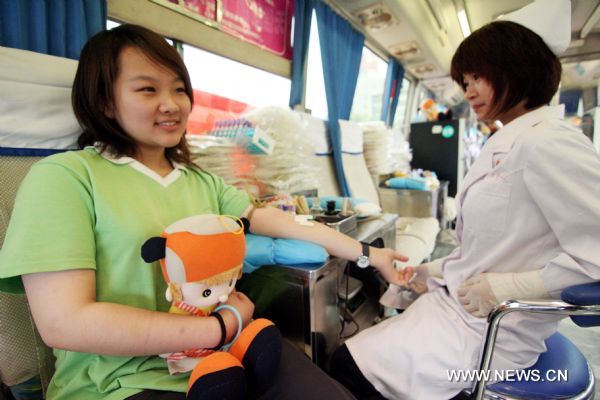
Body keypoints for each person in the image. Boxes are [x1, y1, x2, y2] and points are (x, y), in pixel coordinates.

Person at [0, 24, 408, 400]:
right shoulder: (65, 179)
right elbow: (64, 322)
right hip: (118, 383)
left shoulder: (202, 182)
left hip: (225, 356)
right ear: (105, 101)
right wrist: (220, 326)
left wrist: (370, 255)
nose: (172, 104)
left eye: (179, 89)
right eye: (147, 90)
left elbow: (284, 223)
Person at [329, 0, 600, 399]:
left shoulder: (550, 142)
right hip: (463, 310)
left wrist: (506, 287)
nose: (468, 90)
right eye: (465, 80)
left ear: (516, 71)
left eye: (478, 77)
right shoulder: (509, 139)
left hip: (493, 332)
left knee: (346, 366)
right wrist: (432, 271)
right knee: (360, 352)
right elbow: (496, 247)